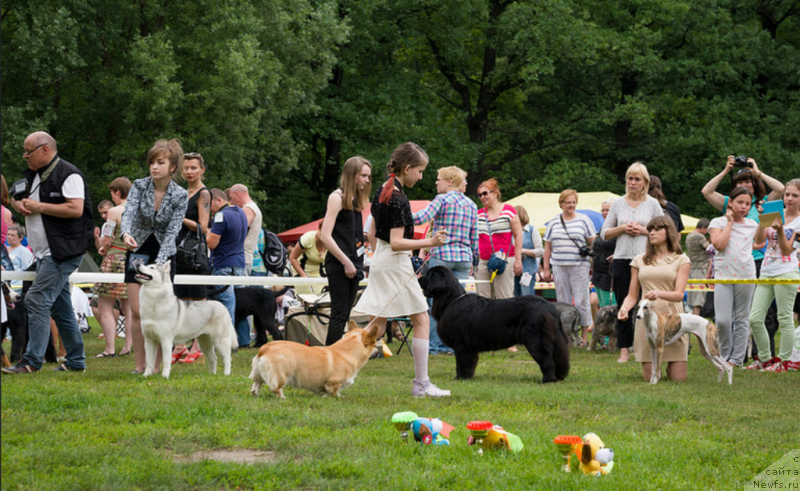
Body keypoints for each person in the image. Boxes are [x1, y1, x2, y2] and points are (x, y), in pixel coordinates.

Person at [353, 142, 450, 397]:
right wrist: (431, 241)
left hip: (383, 261)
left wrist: (380, 258)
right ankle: (421, 384)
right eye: (419, 171)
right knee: (420, 319)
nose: (420, 177)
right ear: (407, 168)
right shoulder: (396, 197)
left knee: (377, 327)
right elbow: (397, 242)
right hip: (394, 263)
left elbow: (372, 233)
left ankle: (339, 372)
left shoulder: (383, 190)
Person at [3, 131, 94, 374]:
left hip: (63, 251)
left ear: (45, 149)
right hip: (44, 253)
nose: (24, 156)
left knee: (36, 299)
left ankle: (32, 362)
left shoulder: (69, 174)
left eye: (28, 151)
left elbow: (75, 209)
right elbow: (13, 196)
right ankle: (76, 362)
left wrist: (38, 206)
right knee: (60, 307)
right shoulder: (32, 175)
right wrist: (19, 204)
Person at [120, 139, 188, 375]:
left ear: (172, 167)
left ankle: (157, 366)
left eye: (160, 162)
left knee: (161, 314)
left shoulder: (181, 195)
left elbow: (173, 230)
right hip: (137, 248)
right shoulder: (139, 186)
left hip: (164, 253)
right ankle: (141, 366)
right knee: (138, 311)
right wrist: (126, 233)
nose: (154, 167)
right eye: (152, 162)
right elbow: (128, 212)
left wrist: (160, 264)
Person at [600, 162, 663, 363]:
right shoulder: (618, 204)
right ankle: (624, 349)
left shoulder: (653, 204)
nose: (633, 183)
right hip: (622, 260)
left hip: (647, 260)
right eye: (630, 178)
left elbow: (663, 231)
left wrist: (644, 231)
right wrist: (622, 229)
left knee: (649, 303)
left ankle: (649, 345)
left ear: (645, 182)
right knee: (624, 305)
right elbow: (604, 233)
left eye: (637, 179)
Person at [413, 165, 478, 355]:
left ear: (450, 181)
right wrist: (473, 261)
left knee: (437, 303)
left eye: (439, 178)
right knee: (459, 304)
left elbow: (421, 218)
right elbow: (475, 237)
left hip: (442, 257)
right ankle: (454, 345)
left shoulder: (441, 199)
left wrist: (399, 215)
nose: (436, 182)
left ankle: (435, 346)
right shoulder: (471, 204)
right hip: (464, 258)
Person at [617, 216, 691, 382]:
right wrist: (624, 308)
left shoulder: (681, 259)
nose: (652, 233)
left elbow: (679, 294)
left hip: (673, 318)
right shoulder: (639, 260)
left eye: (657, 229)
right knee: (650, 377)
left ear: (669, 232)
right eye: (650, 229)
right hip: (648, 320)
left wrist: (659, 293)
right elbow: (632, 295)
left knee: (678, 379)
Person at [747, 179, 800, 372]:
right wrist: (764, 220)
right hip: (767, 271)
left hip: (787, 271)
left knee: (785, 317)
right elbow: (759, 241)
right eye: (787, 194)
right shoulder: (775, 212)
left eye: (795, 195)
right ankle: (765, 358)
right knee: (755, 318)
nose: (790, 198)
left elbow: (787, 251)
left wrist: (779, 230)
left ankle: (784, 362)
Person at [701, 156, 785, 274]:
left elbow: (780, 189)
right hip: (732, 259)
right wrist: (726, 171)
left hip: (759, 257)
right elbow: (706, 192)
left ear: (755, 184)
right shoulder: (729, 203)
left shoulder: (763, 202)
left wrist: (758, 173)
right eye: (739, 182)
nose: (744, 185)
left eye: (747, 182)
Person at [320, 156, 372, 345]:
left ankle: (336, 357)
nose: (367, 180)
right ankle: (329, 360)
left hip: (355, 262)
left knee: (345, 314)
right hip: (340, 263)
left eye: (368, 176)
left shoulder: (356, 200)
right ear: (352, 175)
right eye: (363, 176)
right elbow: (325, 236)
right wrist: (345, 261)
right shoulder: (337, 197)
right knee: (339, 314)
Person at [708, 186, 758, 367]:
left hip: (747, 274)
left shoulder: (753, 224)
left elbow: (760, 243)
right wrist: (729, 222)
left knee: (742, 317)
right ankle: (724, 355)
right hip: (723, 274)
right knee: (722, 319)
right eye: (740, 202)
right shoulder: (717, 222)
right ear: (730, 202)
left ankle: (737, 359)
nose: (744, 207)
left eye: (747, 204)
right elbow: (719, 245)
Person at [170, 153, 211, 363]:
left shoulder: (203, 194)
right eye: (186, 168)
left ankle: (198, 347)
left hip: (194, 254)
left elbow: (202, 228)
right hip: (178, 252)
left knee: (197, 301)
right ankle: (180, 346)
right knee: (180, 300)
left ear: (202, 170)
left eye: (193, 168)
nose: (189, 172)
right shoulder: (183, 193)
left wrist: (179, 217)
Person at [542, 189, 596, 347]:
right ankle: (565, 337)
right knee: (563, 302)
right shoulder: (553, 222)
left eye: (574, 202)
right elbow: (547, 248)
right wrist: (546, 269)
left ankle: (584, 337)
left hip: (579, 265)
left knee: (581, 301)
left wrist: (592, 262)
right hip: (559, 265)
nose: (571, 205)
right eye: (568, 202)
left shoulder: (584, 220)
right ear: (561, 204)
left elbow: (593, 243)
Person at [95, 177, 133, 358]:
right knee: (130, 307)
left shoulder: (114, 212)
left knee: (105, 306)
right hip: (133, 260)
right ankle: (128, 346)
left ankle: (110, 348)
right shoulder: (138, 210)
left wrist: (103, 247)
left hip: (115, 259)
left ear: (117, 192)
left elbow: (107, 239)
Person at [207, 188, 248, 347]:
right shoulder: (241, 212)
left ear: (218, 200)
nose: (208, 208)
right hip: (239, 263)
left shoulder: (220, 216)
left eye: (209, 203)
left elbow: (212, 243)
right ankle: (243, 340)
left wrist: (205, 232)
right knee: (241, 303)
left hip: (223, 264)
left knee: (226, 306)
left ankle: (226, 343)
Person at [475, 178, 523, 299]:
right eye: (479, 195)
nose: (482, 197)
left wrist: (518, 259)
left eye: (485, 193)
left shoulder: (508, 210)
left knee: (504, 298)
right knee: (482, 299)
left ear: (495, 192)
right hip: (483, 260)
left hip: (504, 259)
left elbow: (518, 235)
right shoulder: (478, 214)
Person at [289, 221, 328, 295]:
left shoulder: (332, 241)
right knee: (306, 297)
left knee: (322, 296)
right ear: (319, 229)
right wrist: (303, 275)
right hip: (301, 270)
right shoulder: (307, 238)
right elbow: (292, 258)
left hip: (319, 272)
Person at [513, 205, 543, 297]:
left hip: (528, 271)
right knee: (514, 298)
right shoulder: (511, 231)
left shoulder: (532, 230)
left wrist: (522, 251)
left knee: (527, 298)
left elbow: (540, 251)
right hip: (513, 271)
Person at [685, 218, 710, 316]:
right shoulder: (699, 236)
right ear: (703, 228)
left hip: (692, 266)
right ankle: (697, 318)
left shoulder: (689, 235)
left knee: (693, 292)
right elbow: (709, 249)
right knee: (698, 294)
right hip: (700, 267)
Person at [6, 225, 35, 290]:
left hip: (17, 287)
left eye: (12, 235)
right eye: (8, 234)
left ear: (20, 238)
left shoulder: (24, 251)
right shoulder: (5, 249)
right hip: (5, 286)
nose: (9, 237)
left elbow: (28, 271)